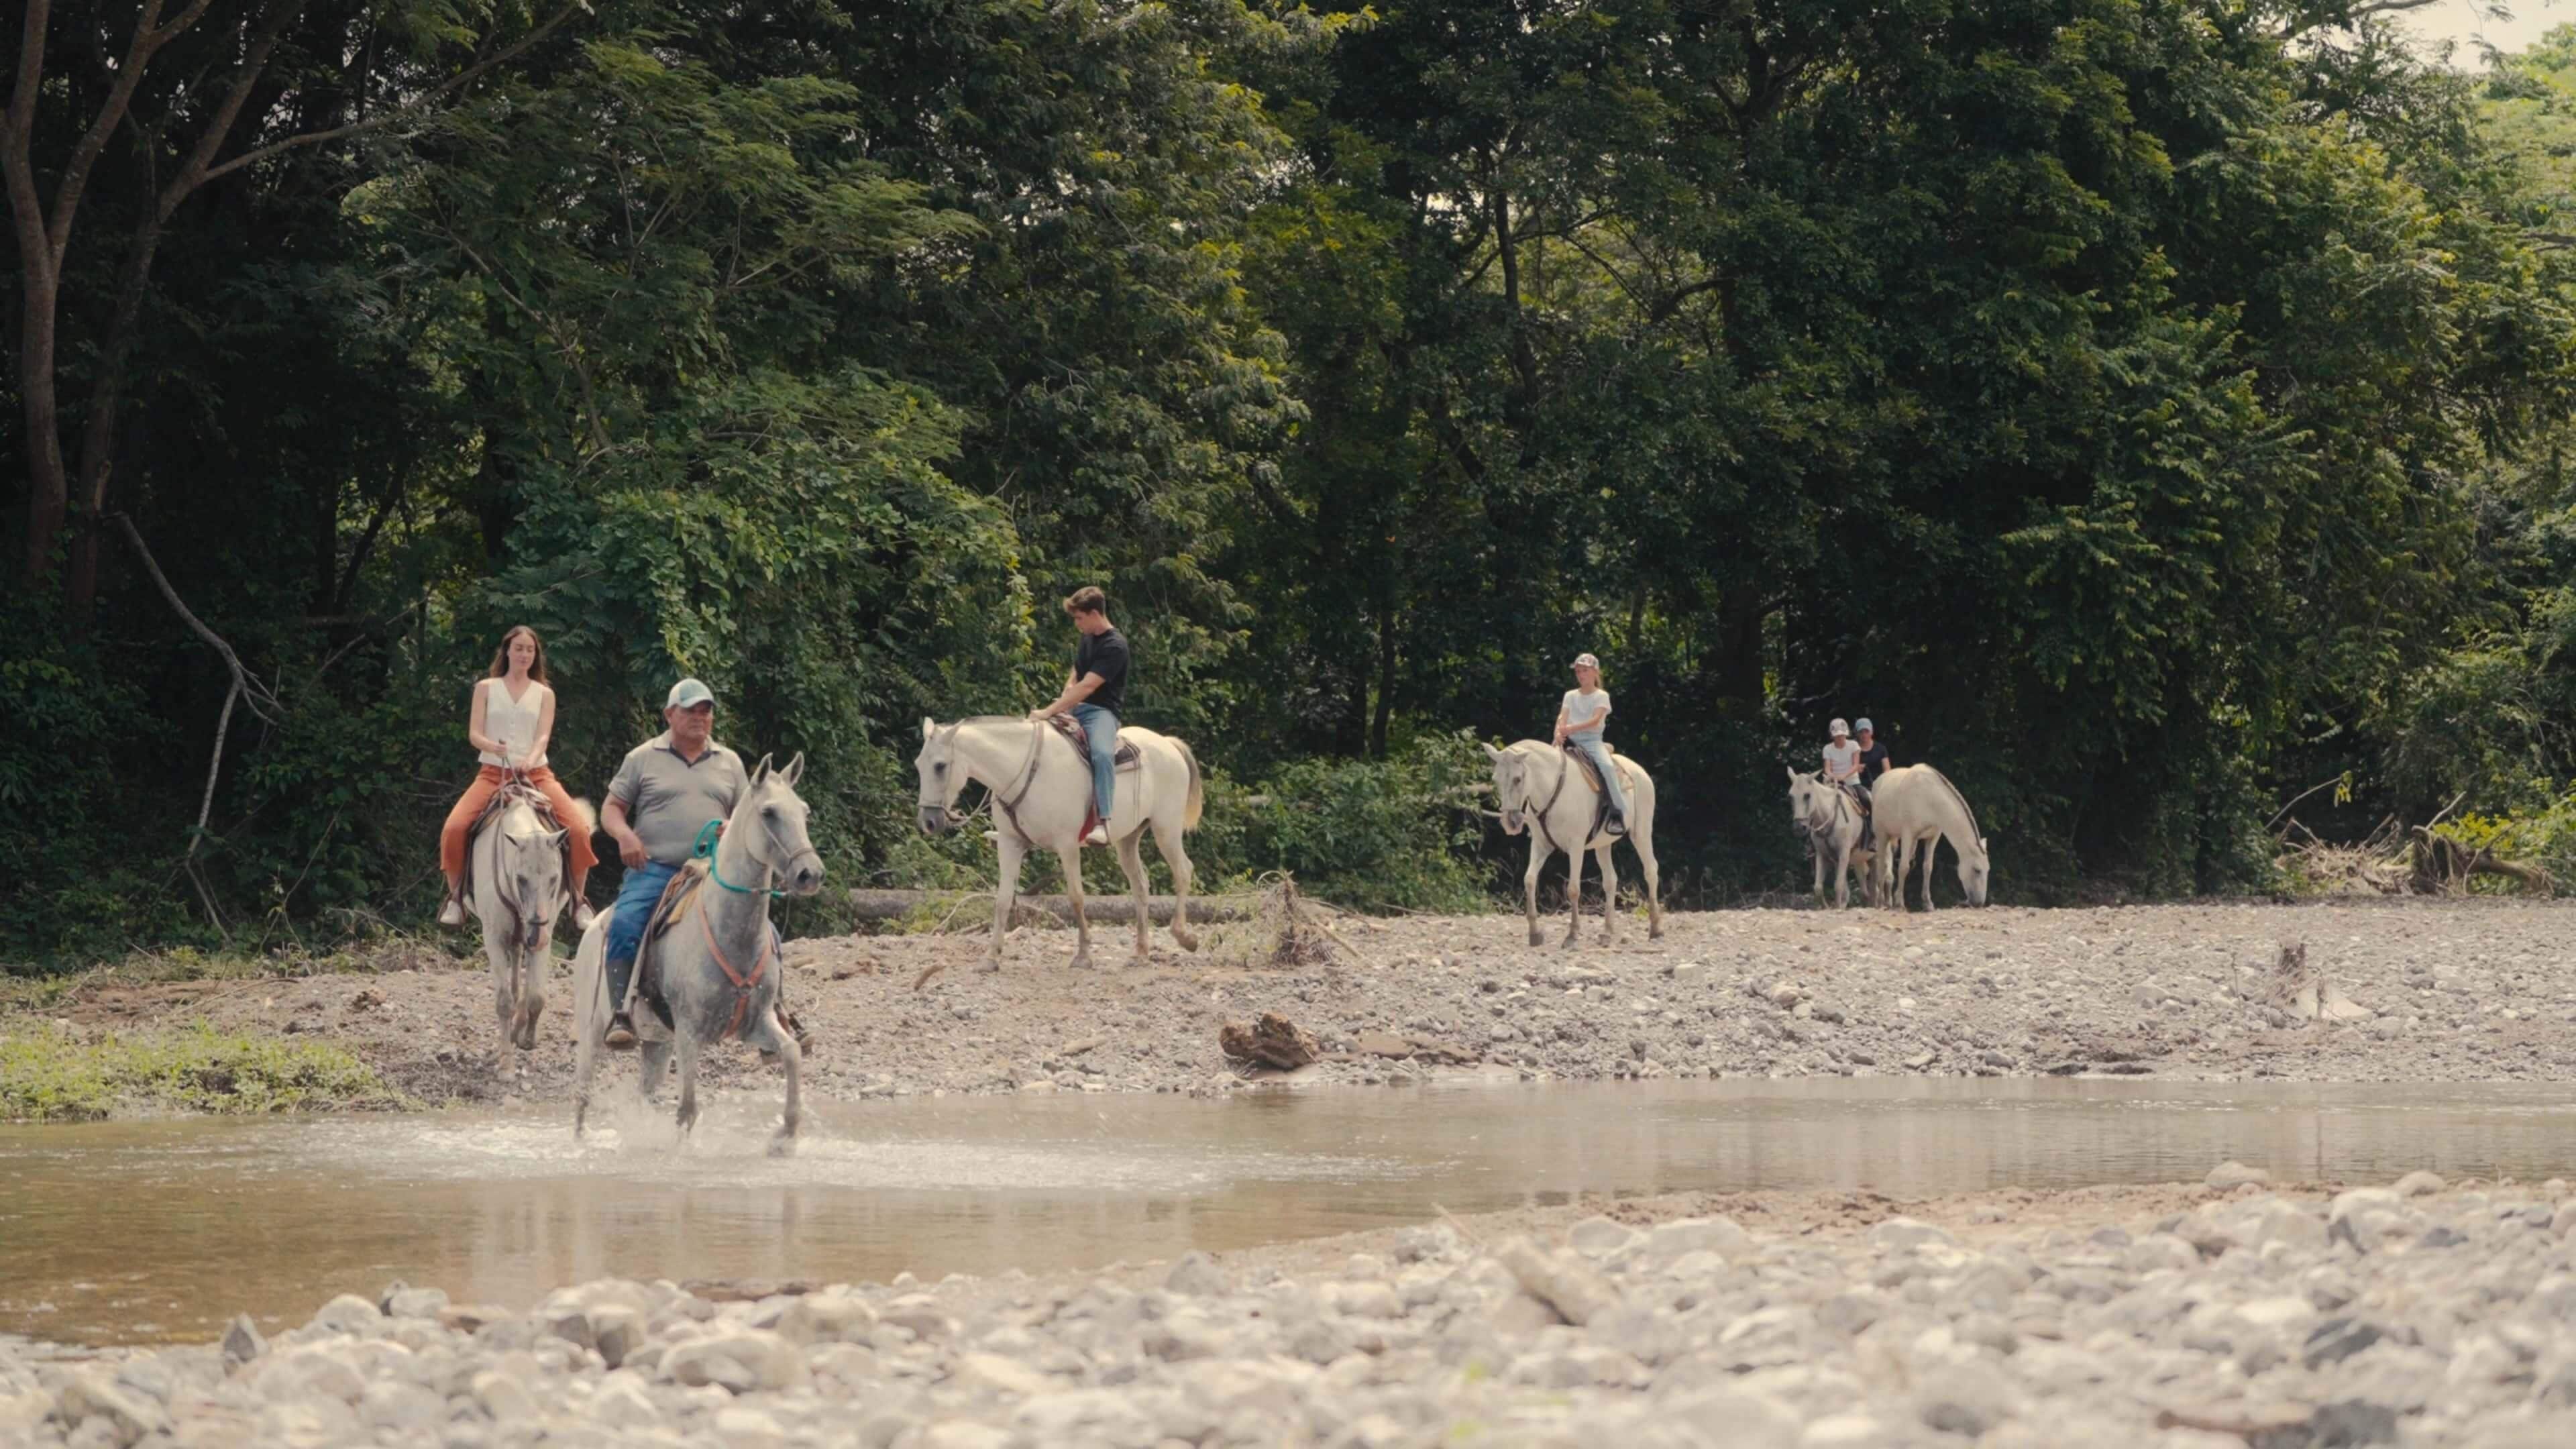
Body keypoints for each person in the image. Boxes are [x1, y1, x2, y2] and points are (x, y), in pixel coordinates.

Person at [598, 677, 759, 1050]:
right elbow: (612, 809)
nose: (699, 717)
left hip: (711, 871)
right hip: (655, 866)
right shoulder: (642, 758)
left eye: (706, 711)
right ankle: (621, 1011)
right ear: (670, 714)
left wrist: (733, 829)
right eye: (690, 710)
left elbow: (747, 817)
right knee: (625, 922)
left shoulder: (729, 762)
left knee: (760, 925)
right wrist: (625, 836)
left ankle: (777, 1008)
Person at [438, 627, 596, 930]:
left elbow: (543, 736)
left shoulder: (544, 694)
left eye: (530, 650)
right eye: (519, 648)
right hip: (491, 773)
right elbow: (474, 733)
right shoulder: (486, 687)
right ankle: (456, 899)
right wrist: (491, 747)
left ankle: (579, 901)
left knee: (578, 829)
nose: (524, 654)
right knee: (454, 827)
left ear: (535, 656)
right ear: (507, 651)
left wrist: (530, 760)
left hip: (536, 773)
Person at [1030, 586, 1130, 847]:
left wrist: (1050, 710)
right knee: (1038, 744)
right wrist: (1066, 692)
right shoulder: (1088, 637)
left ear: (1095, 614)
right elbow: (1078, 671)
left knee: (1101, 754)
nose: (1077, 624)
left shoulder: (1115, 646)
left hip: (1101, 712)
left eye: (1079, 618)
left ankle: (1103, 821)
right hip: (1075, 706)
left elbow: (1088, 686)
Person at [1552, 653, 1629, 837]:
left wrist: (1570, 728)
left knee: (1608, 768)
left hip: (1592, 742)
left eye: (1584, 671)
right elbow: (1562, 716)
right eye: (1578, 671)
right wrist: (1557, 733)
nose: (1580, 675)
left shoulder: (1601, 696)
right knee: (1545, 766)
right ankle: (1541, 815)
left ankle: (1617, 813)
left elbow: (1595, 721)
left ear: (1595, 672)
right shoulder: (1570, 695)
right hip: (1569, 739)